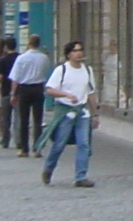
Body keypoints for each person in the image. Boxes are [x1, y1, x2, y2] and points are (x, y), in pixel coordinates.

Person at [41, 41, 97, 188]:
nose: (79, 53)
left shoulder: (87, 70)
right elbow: (50, 90)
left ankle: (81, 176)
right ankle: (48, 169)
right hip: (66, 112)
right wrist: (66, 94)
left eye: (80, 50)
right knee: (59, 144)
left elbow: (91, 93)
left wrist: (95, 114)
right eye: (75, 51)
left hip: (82, 112)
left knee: (84, 144)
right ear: (68, 54)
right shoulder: (62, 70)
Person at [10, 35, 51, 158]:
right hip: (38, 88)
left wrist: (13, 93)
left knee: (24, 119)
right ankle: (37, 148)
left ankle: (24, 149)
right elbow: (45, 70)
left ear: (28, 43)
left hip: (24, 89)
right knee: (38, 120)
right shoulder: (44, 58)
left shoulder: (22, 58)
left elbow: (15, 78)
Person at [0, 36, 17, 149]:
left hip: (6, 90)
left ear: (6, 46)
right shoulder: (20, 58)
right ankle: (19, 140)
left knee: (6, 117)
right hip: (19, 91)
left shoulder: (3, 59)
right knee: (19, 117)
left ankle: (5, 140)